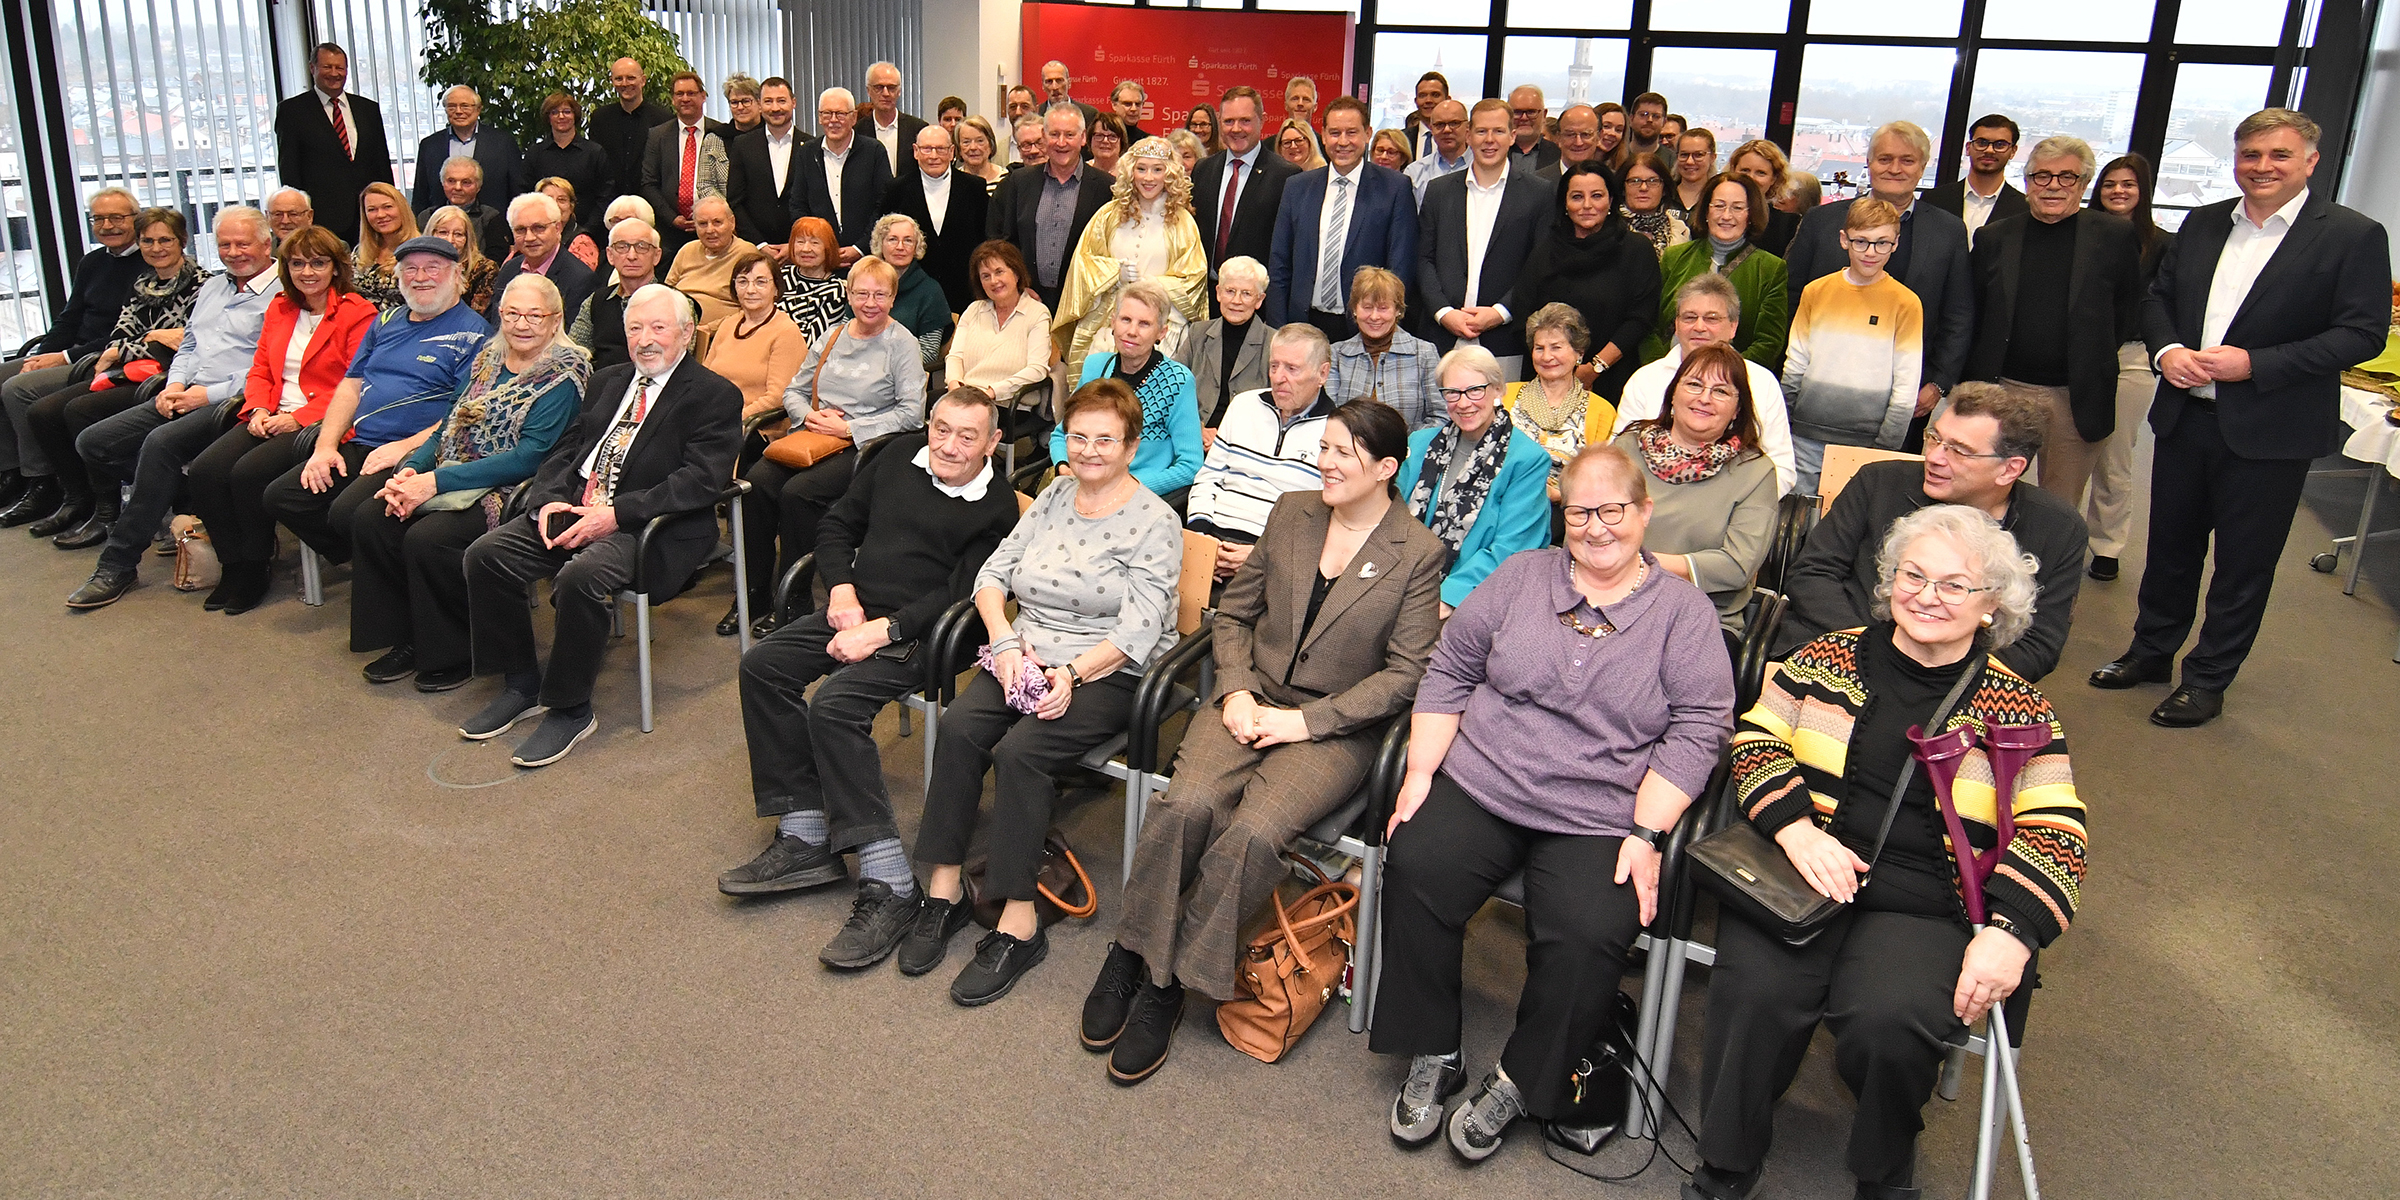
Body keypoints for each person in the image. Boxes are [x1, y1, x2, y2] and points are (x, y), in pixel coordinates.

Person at [1687, 504, 2085, 1200]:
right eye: (1914, 575)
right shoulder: (1825, 656)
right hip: (1803, 870)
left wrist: (2014, 935)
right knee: (1754, 996)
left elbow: (2058, 831)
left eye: (1955, 585)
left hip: (1928, 906)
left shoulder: (2019, 711)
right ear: (1890, 580)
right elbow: (1755, 742)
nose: (1928, 596)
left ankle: (1884, 1171)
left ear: (1991, 606)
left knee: (1890, 1025)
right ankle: (1726, 1165)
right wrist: (1796, 830)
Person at [1376, 442, 1733, 1162]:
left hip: (1601, 810)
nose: (1596, 527)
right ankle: (1436, 1050)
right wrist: (1419, 776)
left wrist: (1645, 831)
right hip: (1488, 781)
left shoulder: (1683, 614)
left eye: (1612, 511)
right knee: (1416, 862)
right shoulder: (1521, 576)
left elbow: (1701, 729)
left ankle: (1519, 1077)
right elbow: (1451, 668)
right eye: (1579, 513)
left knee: (1588, 928)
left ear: (1644, 513)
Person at [1089, 397, 1447, 1083]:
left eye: (1344, 452)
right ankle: (1132, 951)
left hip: (1332, 731)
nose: (1327, 462)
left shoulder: (1417, 553)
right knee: (1187, 807)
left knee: (1253, 834)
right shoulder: (1292, 512)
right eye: (1326, 447)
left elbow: (1406, 675)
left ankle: (1166, 985)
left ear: (1386, 468)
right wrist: (1238, 688)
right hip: (1248, 701)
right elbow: (1234, 615)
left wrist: (1306, 722)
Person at [2092, 107, 2390, 728]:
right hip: (2185, 417)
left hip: (2270, 428)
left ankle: (2207, 680)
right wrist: (2168, 350)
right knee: (2170, 548)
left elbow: (2361, 333)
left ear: (2310, 162)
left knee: (2242, 563)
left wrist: (2255, 363)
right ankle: (2151, 652)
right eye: (2251, 155)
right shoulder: (2201, 223)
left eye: (2279, 156)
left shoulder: (2351, 236)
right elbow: (2158, 300)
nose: (2261, 167)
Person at [722, 388, 1019, 963]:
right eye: (941, 428)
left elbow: (963, 593)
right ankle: (808, 830)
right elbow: (836, 525)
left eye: (967, 436)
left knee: (835, 706)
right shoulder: (894, 456)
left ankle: (891, 883)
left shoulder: (997, 505)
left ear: (993, 443)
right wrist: (840, 588)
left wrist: (884, 630)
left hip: (932, 632)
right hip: (858, 604)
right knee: (763, 667)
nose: (949, 445)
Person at [912, 378, 1184, 1004]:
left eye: (1106, 440)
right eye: (1080, 436)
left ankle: (1018, 920)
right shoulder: (1056, 493)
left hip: (1110, 668)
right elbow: (993, 572)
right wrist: (1004, 641)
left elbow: (1140, 628)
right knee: (959, 727)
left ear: (1132, 446)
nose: (1090, 451)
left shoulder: (1155, 521)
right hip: (1026, 651)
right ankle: (945, 889)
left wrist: (1072, 674)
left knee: (1022, 754)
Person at [456, 283, 740, 765]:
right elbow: (566, 451)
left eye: (658, 327)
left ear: (687, 333)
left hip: (649, 525)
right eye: (634, 328)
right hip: (578, 506)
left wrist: (616, 514)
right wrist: (545, 501)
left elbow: (700, 481)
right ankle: (521, 683)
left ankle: (570, 708)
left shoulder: (714, 394)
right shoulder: (608, 380)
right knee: (485, 556)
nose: (645, 339)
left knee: (581, 576)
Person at [349, 274, 588, 691]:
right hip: (451, 470)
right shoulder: (486, 360)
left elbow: (529, 457)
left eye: (535, 315)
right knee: (372, 517)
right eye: (512, 313)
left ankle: (455, 651)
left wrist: (435, 481)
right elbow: (448, 425)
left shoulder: (564, 374)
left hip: (511, 488)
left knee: (429, 538)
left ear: (555, 321)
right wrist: (411, 468)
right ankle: (408, 637)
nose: (522, 323)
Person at [1780, 382, 2085, 681]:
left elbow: (2039, 645)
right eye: (1934, 439)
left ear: (2010, 469)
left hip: (1962, 687)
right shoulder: (1877, 484)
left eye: (1959, 451)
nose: (1935, 458)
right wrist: (1874, 650)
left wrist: (1945, 678)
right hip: (1841, 650)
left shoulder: (2058, 529)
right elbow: (1812, 573)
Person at [63, 208, 280, 606]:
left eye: (243, 243)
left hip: (234, 401)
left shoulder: (286, 291)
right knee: (93, 442)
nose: (234, 253)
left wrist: (206, 394)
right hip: (185, 390)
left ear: (267, 244)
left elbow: (272, 366)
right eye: (225, 245)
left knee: (159, 446)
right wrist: (176, 383)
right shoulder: (214, 286)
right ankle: (180, 493)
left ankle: (118, 563)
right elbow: (191, 344)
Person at [262, 236, 492, 596]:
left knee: (348, 513)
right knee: (283, 496)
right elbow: (350, 386)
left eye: (432, 268)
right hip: (361, 442)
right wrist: (325, 446)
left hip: (418, 453)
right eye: (411, 269)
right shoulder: (386, 321)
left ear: (456, 275)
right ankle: (367, 563)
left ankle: (384, 576)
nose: (421, 277)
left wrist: (404, 447)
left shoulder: (474, 334)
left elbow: (462, 411)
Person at [180, 226, 379, 615]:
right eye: (298, 263)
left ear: (336, 268)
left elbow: (354, 384)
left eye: (318, 263)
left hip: (317, 422)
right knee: (205, 471)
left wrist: (296, 419)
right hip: (269, 413)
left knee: (248, 474)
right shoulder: (280, 308)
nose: (308, 272)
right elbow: (260, 371)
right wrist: (257, 409)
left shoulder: (358, 312)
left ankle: (255, 567)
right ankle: (231, 565)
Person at [742, 257, 928, 634]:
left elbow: (912, 413)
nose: (870, 302)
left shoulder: (902, 344)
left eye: (880, 294)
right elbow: (793, 390)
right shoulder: (833, 335)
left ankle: (792, 601)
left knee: (797, 494)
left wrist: (849, 428)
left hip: (867, 448)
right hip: (813, 436)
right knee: (756, 484)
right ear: (849, 294)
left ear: (893, 297)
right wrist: (808, 417)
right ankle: (753, 593)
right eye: (861, 293)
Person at [1964, 135, 2144, 516]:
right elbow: (1974, 309)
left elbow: (2126, 310)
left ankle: (2047, 575)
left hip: (2073, 395)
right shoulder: (1995, 237)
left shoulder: (2114, 236)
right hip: (2002, 390)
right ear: (2027, 181)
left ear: (2083, 184)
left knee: (2057, 508)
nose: (2053, 186)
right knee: (1981, 496)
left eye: (2067, 177)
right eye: (2042, 176)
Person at [12, 207, 204, 539]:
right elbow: (120, 336)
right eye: (148, 241)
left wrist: (137, 344)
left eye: (165, 240)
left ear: (182, 241)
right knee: (42, 412)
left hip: (166, 377)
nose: (156, 248)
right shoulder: (142, 282)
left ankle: (107, 513)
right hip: (127, 370)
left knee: (79, 411)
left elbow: (182, 343)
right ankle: (77, 499)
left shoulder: (202, 284)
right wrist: (147, 339)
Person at [1783, 122, 1974, 453]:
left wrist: (1939, 384)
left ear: (1923, 166)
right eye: (1885, 159)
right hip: (1821, 398)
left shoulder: (1948, 230)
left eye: (1907, 160)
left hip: (1908, 397)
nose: (1895, 169)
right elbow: (1791, 297)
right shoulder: (1821, 221)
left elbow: (1958, 313)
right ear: (1868, 162)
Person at [0, 188, 144, 522]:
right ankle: (13, 474)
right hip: (70, 350)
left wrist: (62, 357)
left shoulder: (148, 264)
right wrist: (42, 354)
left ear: (136, 219)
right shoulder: (93, 261)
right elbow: (70, 317)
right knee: (5, 375)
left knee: (17, 389)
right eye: (99, 218)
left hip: (100, 357)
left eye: (117, 218)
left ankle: (44, 482)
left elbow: (124, 334)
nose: (108, 225)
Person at [1614, 342, 1779, 629]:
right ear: (1673, 394)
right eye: (1694, 384)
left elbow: (1737, 566)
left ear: (1737, 410)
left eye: (1721, 391)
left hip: (1698, 618)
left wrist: (1638, 564)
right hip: (1610, 595)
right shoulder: (1628, 447)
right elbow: (1588, 518)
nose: (1705, 398)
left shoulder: (1755, 472)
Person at [1781, 198, 1923, 493]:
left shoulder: (1906, 303)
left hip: (1868, 440)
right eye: (1861, 242)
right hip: (1805, 434)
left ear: (1896, 243)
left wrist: (1886, 445)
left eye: (1882, 243)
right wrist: (1787, 421)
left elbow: (1906, 386)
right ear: (1844, 240)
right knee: (1797, 517)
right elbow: (1795, 363)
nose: (1871, 252)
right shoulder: (1816, 291)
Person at [1399, 347, 1553, 613]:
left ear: (1497, 389)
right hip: (1401, 583)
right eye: (1452, 393)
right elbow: (1389, 520)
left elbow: (1513, 549)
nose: (1463, 403)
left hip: (1472, 599)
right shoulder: (1420, 443)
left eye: (1475, 390)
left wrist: (1446, 599)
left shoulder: (1527, 459)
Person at [1616, 273, 1798, 496]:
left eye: (1711, 318)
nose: (1699, 327)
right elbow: (1620, 460)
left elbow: (1781, 469)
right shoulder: (1645, 380)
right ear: (1676, 325)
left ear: (1733, 327)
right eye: (1689, 317)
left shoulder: (1761, 382)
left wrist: (1732, 507)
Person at [1182, 318, 1341, 570]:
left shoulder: (1337, 432)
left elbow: (1327, 516)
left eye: (1292, 368)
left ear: (1322, 373)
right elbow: (1208, 477)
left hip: (1276, 555)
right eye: (1274, 365)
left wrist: (1261, 556)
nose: (1278, 377)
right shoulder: (1244, 405)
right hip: (1212, 537)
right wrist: (1201, 540)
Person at [2081, 153, 2174, 582]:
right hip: (2076, 352)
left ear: (2144, 192)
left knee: (2114, 458)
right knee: (2063, 455)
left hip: (2131, 359)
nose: (2118, 191)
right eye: (2110, 184)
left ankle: (2107, 546)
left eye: (2128, 185)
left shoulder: (2163, 245)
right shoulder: (2080, 235)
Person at [1054, 137, 1208, 379]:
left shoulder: (1182, 222)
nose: (1149, 178)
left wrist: (1155, 286)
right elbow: (1084, 262)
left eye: (1157, 170)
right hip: (1110, 325)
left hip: (1159, 329)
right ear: (1130, 172)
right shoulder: (1108, 215)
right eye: (1141, 169)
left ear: (1169, 174)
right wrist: (1115, 273)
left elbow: (1194, 277)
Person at [1267, 98, 1417, 341]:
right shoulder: (1297, 186)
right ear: (1323, 136)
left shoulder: (1395, 188)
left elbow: (1400, 265)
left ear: (1368, 134)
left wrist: (1384, 324)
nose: (1343, 142)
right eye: (1335, 133)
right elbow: (1279, 262)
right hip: (1303, 325)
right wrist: (1278, 327)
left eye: (1352, 132)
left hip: (1366, 328)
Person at [1418, 98, 1548, 379]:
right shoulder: (1439, 191)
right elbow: (1423, 259)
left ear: (1513, 136)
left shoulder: (1539, 194)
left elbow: (1538, 265)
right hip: (1441, 337)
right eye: (1481, 131)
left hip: (1504, 339)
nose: (1490, 140)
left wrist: (1500, 312)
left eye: (1499, 131)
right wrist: (1443, 312)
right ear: (1468, 135)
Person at [1515, 161, 1662, 403]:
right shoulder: (1545, 250)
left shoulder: (1636, 249)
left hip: (1612, 377)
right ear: (1564, 203)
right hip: (1549, 378)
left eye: (1597, 196)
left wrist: (1594, 368)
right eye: (1576, 197)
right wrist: (1560, 367)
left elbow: (1641, 317)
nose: (1587, 206)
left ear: (1611, 200)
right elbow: (1524, 317)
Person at [1051, 280, 1204, 502]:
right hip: (1082, 485)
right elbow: (1060, 434)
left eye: (1144, 324)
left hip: (1137, 496)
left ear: (1161, 332)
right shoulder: (1095, 367)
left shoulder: (1177, 381)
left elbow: (1190, 465)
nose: (1131, 331)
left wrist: (1129, 489)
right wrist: (1066, 468)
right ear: (1113, 322)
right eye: (1126, 320)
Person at [1644, 172, 1789, 368]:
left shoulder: (1770, 269)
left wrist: (1727, 375)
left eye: (1737, 208)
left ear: (1751, 215)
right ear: (1706, 211)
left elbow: (1769, 342)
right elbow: (1648, 324)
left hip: (1732, 380)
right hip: (1668, 373)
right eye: (1719, 206)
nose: (1726, 216)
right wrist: (1661, 368)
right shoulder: (1674, 257)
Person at [987, 104, 1114, 310]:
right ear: (1044, 137)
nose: (1061, 142)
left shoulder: (1105, 188)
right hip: (1027, 301)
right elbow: (1007, 242)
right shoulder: (1019, 182)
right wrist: (1019, 286)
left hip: (1084, 305)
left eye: (1069, 135)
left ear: (1083, 138)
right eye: (1054, 134)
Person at [273, 42, 392, 246]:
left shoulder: (368, 109)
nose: (335, 73)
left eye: (340, 68)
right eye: (327, 67)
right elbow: (290, 170)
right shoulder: (293, 111)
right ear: (313, 68)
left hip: (369, 217)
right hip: (322, 221)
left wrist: (388, 206)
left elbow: (381, 162)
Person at [1189, 87, 1303, 289]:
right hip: (1207, 295)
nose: (1236, 129)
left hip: (1256, 299)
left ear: (1262, 120)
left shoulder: (1286, 176)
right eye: (1229, 121)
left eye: (1245, 121)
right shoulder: (1203, 169)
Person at [880, 124, 991, 314]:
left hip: (965, 292)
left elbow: (984, 239)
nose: (933, 156)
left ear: (951, 152)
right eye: (926, 149)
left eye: (940, 149)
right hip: (914, 293)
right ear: (916, 151)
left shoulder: (975, 188)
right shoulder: (896, 190)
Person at [1504, 302, 1611, 492]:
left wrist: (1561, 495)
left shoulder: (1602, 412)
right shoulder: (1504, 396)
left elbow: (1603, 478)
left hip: (1569, 508)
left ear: (1579, 353)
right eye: (1539, 348)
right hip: (1507, 498)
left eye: (1556, 347)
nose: (1546, 357)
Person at [946, 240, 1055, 420]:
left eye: (999, 272)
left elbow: (1037, 369)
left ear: (1017, 273)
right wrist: (954, 386)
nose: (993, 281)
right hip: (965, 396)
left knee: (954, 422)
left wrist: (991, 392)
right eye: (985, 276)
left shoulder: (1037, 313)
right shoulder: (974, 309)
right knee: (926, 412)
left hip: (1008, 403)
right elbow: (955, 356)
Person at [1328, 266, 1441, 429]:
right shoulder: (1336, 355)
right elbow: (1329, 417)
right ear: (1354, 310)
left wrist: (1409, 447)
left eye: (1383, 308)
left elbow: (1440, 416)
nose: (1374, 316)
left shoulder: (1424, 353)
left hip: (1411, 451)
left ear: (1397, 311)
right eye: (1367, 307)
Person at [703, 251, 807, 426]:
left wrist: (730, 420)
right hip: (713, 419)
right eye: (743, 281)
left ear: (775, 288)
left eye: (760, 282)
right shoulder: (728, 324)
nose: (750, 290)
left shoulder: (786, 332)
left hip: (755, 427)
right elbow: (704, 380)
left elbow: (776, 398)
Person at [641, 72, 731, 261]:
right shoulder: (657, 136)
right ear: (673, 99)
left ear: (703, 96)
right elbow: (649, 183)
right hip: (670, 232)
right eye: (679, 94)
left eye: (691, 93)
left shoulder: (723, 133)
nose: (685, 99)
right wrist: (672, 218)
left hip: (715, 230)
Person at [1178, 256, 1272, 429]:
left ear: (1259, 300)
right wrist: (1198, 430)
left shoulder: (1274, 343)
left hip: (1246, 440)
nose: (1236, 301)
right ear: (1218, 293)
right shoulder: (1197, 334)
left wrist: (1225, 438)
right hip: (1194, 433)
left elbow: (1274, 410)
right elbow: (1174, 388)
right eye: (1230, 291)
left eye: (1246, 293)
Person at [493, 192, 600, 328]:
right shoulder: (509, 270)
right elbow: (495, 326)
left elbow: (572, 339)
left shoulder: (581, 280)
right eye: (520, 230)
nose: (529, 237)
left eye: (539, 228)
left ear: (558, 228)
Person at [569, 218, 664, 371]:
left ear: (656, 256)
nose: (632, 255)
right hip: (600, 387)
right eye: (622, 247)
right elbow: (574, 353)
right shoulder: (596, 301)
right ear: (610, 255)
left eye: (642, 247)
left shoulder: (673, 303)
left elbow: (676, 362)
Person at [726, 77, 807, 252]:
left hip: (800, 249)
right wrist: (759, 245)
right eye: (768, 101)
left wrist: (794, 243)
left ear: (793, 103)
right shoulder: (742, 146)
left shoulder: (810, 146)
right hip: (753, 248)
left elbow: (814, 202)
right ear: (760, 105)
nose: (775, 108)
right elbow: (735, 201)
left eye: (781, 101)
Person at [1924, 114, 2029, 248]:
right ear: (1968, 148)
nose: (1989, 150)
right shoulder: (1934, 200)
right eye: (1982, 143)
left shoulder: (2024, 209)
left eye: (2000, 145)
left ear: (2013, 151)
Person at [411, 85, 520, 213]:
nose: (458, 111)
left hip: (492, 223)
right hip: (442, 224)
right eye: (451, 106)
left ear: (478, 109)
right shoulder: (429, 145)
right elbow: (421, 194)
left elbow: (517, 189)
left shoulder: (503, 142)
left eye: (465, 106)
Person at [589, 57, 673, 217]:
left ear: (643, 80)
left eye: (631, 78)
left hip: (653, 208)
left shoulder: (663, 119)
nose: (625, 83)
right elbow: (597, 165)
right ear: (612, 81)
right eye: (619, 78)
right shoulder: (600, 118)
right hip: (609, 207)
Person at [522, 92, 614, 232]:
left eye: (567, 112)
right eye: (555, 112)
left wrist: (587, 231)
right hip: (542, 232)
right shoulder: (535, 153)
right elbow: (525, 195)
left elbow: (605, 195)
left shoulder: (594, 152)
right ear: (548, 117)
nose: (561, 116)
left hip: (589, 231)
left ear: (575, 115)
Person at [661, 195, 755, 327]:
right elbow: (666, 293)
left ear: (732, 223)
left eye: (717, 222)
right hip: (675, 328)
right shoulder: (687, 250)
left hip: (721, 334)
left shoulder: (747, 254)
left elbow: (752, 308)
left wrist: (707, 330)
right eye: (703, 224)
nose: (710, 230)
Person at [870, 213, 951, 364]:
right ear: (880, 244)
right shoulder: (866, 283)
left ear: (916, 248)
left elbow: (928, 353)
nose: (900, 247)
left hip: (902, 376)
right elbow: (846, 333)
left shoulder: (930, 291)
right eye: (892, 239)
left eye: (908, 241)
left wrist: (880, 365)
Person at [772, 216, 851, 346]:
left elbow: (813, 342)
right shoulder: (780, 277)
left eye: (815, 243)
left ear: (828, 248)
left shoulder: (835, 291)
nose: (806, 249)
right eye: (800, 242)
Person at [416, 159, 507, 270]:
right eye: (451, 181)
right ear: (443, 183)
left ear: (478, 187)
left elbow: (496, 262)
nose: (457, 187)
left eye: (466, 182)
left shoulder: (491, 218)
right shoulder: (426, 217)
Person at [1726, 139, 1802, 258]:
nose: (1751, 178)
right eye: (1745, 170)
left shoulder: (1788, 225)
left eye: (1761, 173)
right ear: (1733, 171)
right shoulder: (1713, 214)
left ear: (1774, 179)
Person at [354, 182, 421, 311]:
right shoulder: (359, 252)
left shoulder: (420, 251)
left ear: (402, 209)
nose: (380, 215)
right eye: (372, 210)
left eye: (387, 207)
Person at [860, 62, 927, 175]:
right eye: (879, 87)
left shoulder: (919, 129)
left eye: (891, 88)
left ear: (899, 91)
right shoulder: (858, 131)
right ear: (868, 91)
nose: (886, 93)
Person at [1619, 152, 1690, 259]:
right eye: (1635, 181)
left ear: (1664, 189)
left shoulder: (1681, 231)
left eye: (1653, 181)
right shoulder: (1608, 228)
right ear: (1623, 188)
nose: (1643, 188)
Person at [1404, 99, 1470, 206]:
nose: (1447, 130)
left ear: (1468, 127)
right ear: (1431, 129)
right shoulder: (1415, 173)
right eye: (1440, 125)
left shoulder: (1482, 169)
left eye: (1454, 123)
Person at [534, 177, 600, 270]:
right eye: (548, 199)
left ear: (571, 206)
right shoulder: (529, 236)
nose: (555, 205)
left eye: (561, 200)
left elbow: (582, 280)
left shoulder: (582, 242)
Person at [1667, 128, 1719, 225]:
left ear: (1712, 158)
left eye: (1698, 155)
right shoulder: (1663, 194)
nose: (1689, 161)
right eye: (1684, 155)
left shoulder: (1719, 197)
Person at [1038, 59, 1101, 136]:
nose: (1054, 87)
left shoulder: (1089, 114)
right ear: (1043, 86)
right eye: (1049, 82)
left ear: (1069, 83)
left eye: (1059, 80)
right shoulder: (1036, 114)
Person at [1505, 85, 1560, 171]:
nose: (1524, 118)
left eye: (1531, 112)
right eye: (1517, 112)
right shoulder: (1495, 151)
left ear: (1544, 115)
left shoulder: (1559, 155)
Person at [1406, 72, 1449, 160]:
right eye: (1422, 96)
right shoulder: (1403, 139)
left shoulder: (1462, 140)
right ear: (1416, 101)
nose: (1428, 100)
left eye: (1435, 95)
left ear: (1447, 100)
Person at [959, 116, 1007, 186]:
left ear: (991, 144)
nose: (973, 147)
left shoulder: (1006, 179)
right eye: (966, 142)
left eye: (980, 141)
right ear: (959, 148)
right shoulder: (952, 180)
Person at [1624, 93, 1670, 161]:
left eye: (1656, 116)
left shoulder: (1673, 162)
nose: (1649, 120)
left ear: (1664, 122)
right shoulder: (1614, 158)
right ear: (1631, 119)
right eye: (1643, 114)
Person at [1090, 113, 1131, 177]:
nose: (1105, 141)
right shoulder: (1082, 172)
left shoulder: (1130, 173)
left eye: (1112, 136)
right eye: (1099, 136)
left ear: (1121, 141)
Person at [722, 73, 763, 138]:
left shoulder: (772, 134)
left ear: (759, 103)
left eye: (746, 101)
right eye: (734, 102)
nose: (740, 107)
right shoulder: (719, 138)